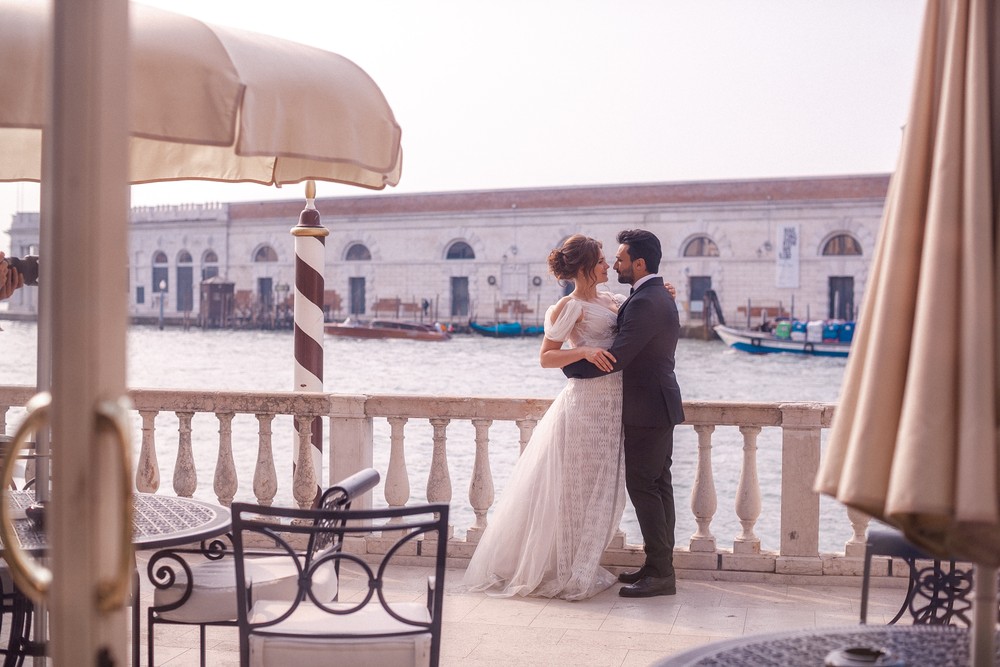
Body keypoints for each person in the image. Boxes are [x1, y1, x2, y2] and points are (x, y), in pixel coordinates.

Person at [462, 234, 627, 600]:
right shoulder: (569, 308)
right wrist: (582, 351)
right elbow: (546, 357)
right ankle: (565, 567)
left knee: (601, 491)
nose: (607, 266)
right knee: (573, 489)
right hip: (585, 405)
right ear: (585, 267)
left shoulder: (613, 301)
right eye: (601, 261)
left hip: (613, 406)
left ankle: (581, 561)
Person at [562, 229, 685, 598]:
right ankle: (657, 565)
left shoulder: (649, 299)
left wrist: (572, 371)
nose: (615, 264)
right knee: (658, 487)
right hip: (657, 404)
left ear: (639, 263)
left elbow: (618, 356)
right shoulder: (653, 294)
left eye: (620, 259)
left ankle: (662, 574)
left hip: (648, 408)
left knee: (645, 487)